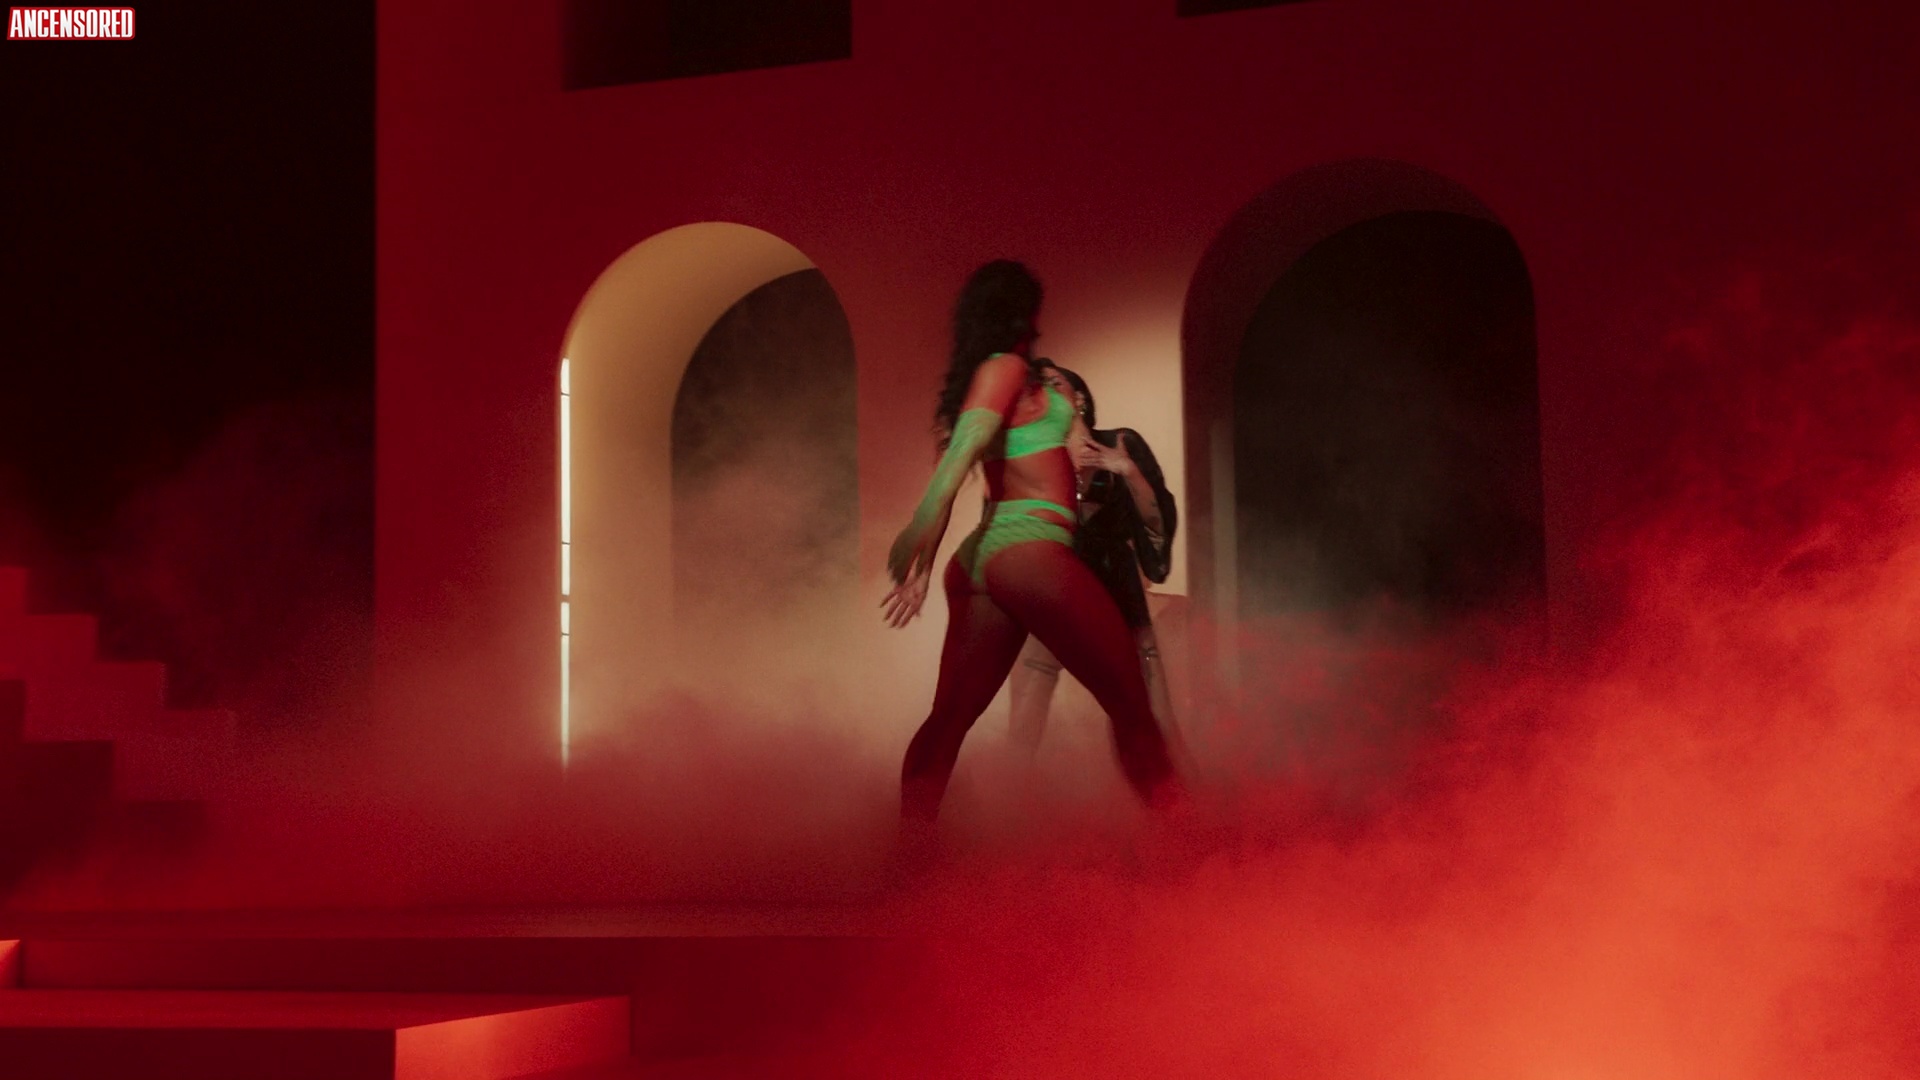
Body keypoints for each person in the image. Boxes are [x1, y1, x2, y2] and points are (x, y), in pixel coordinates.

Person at [882, 260, 1177, 822]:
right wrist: (917, 531)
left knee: (949, 719)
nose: (1040, 319)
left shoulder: (1024, 378)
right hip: (1028, 550)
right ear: (1018, 311)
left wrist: (924, 569)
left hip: (988, 560)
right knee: (1133, 708)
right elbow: (961, 455)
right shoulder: (1005, 367)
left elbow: (1066, 452)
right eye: (1033, 306)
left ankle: (911, 849)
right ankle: (1188, 839)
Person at [1008, 364, 1182, 757]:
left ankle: (1175, 790)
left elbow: (1155, 522)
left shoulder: (1119, 442)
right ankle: (1011, 792)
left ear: (1080, 397)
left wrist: (1128, 472)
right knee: (1025, 712)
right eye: (1036, 389)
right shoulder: (1030, 460)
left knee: (1151, 711)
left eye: (1054, 383)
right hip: (1054, 586)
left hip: (1115, 585)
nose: (1045, 392)